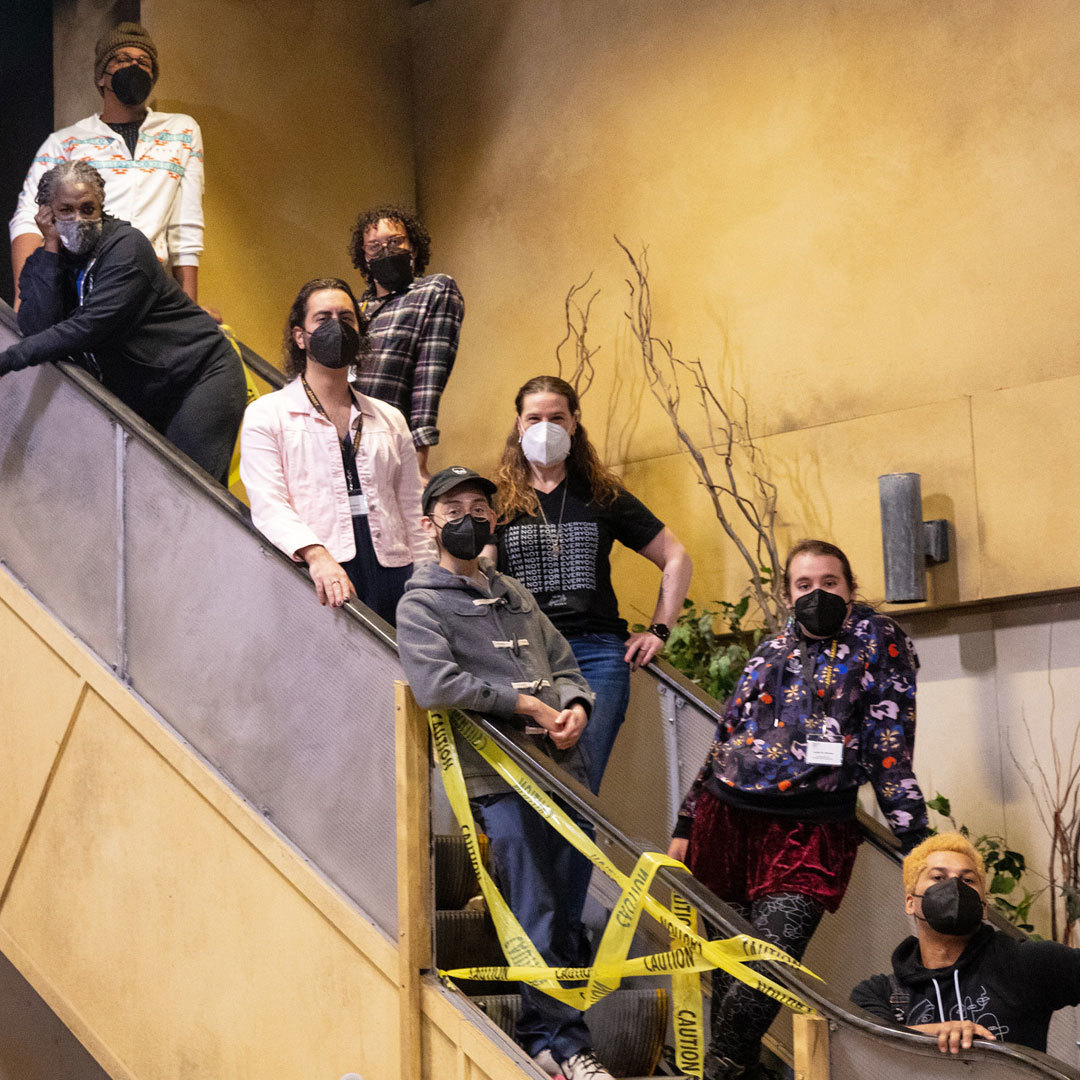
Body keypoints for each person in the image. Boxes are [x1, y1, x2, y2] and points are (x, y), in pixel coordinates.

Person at [668, 539, 929, 1080]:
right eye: (804, 585)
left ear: (851, 588)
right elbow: (725, 741)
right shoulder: (769, 653)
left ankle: (720, 1070)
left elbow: (889, 749)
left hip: (810, 831)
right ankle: (739, 1070)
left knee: (769, 966)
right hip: (727, 820)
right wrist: (686, 821)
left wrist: (917, 838)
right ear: (788, 594)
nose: (817, 594)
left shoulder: (880, 644)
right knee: (734, 975)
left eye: (829, 583)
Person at [396, 466, 615, 1080]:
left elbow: (567, 664)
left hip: (564, 770)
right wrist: (523, 703)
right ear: (429, 523)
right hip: (498, 781)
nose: (470, 517)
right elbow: (436, 685)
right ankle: (571, 1049)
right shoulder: (420, 603)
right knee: (535, 910)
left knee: (566, 912)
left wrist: (574, 707)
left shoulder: (515, 593)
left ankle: (540, 1037)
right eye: (454, 508)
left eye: (480, 507)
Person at [494, 375, 692, 794]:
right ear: (518, 424)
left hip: (596, 654)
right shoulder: (498, 503)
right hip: (525, 655)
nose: (545, 427)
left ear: (574, 423)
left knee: (580, 786)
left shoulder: (602, 494)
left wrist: (660, 629)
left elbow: (676, 556)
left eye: (556, 417)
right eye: (535, 418)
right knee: (531, 791)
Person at [0, 161, 244, 483]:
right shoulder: (45, 261)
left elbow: (90, 327)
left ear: (101, 204)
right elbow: (36, 327)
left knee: (188, 496)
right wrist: (50, 247)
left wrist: (7, 361)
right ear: (47, 213)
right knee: (150, 495)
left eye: (88, 209)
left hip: (199, 377)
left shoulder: (127, 248)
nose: (79, 220)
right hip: (147, 390)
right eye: (66, 210)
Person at [240, 278, 434, 622]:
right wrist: (316, 556)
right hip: (322, 573)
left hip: (395, 569)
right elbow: (269, 504)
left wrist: (428, 579)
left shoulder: (389, 418)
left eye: (346, 318)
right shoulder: (267, 415)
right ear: (300, 336)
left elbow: (410, 505)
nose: (336, 327)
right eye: (323, 318)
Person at [10, 21, 205, 305]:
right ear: (102, 77)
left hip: (150, 286)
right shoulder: (65, 142)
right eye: (122, 59)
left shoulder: (181, 132)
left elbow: (185, 228)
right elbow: (28, 217)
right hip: (84, 284)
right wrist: (26, 301)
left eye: (143, 62)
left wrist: (190, 309)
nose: (134, 67)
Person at [851, 832, 1080, 1056]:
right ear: (910, 902)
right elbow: (868, 1043)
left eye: (968, 880)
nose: (954, 887)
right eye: (938, 878)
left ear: (983, 907)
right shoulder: (879, 994)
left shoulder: (1026, 964)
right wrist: (935, 1033)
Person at [347, 205, 464, 480]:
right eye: (374, 245)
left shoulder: (434, 290)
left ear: (413, 247)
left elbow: (429, 377)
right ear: (363, 256)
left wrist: (419, 460)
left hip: (389, 440)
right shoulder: (354, 308)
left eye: (395, 241)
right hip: (344, 438)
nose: (385, 250)